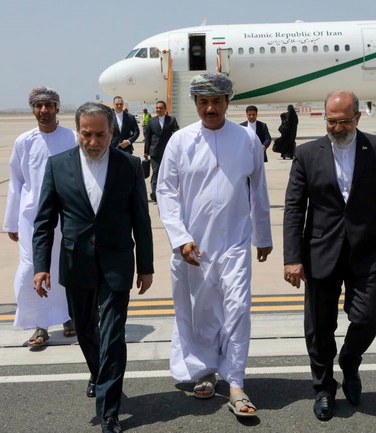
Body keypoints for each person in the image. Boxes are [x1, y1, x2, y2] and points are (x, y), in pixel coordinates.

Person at [283, 90, 376, 421]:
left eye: (344, 122)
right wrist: (292, 257)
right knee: (319, 327)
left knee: (369, 317)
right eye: (331, 121)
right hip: (320, 251)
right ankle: (324, 388)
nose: (337, 128)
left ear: (357, 117)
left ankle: (350, 361)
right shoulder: (306, 154)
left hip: (366, 251)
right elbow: (294, 209)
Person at [156, 73, 273, 418]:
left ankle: (235, 382)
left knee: (238, 309)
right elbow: (165, 191)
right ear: (196, 103)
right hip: (195, 246)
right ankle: (205, 370)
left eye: (217, 101)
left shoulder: (247, 139)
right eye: (204, 102)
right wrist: (180, 238)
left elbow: (258, 189)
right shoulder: (180, 141)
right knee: (201, 310)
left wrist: (263, 236)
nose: (210, 108)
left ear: (227, 102)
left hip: (235, 241)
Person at [32, 102, 154, 433]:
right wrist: (40, 266)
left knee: (113, 335)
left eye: (100, 134)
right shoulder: (58, 165)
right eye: (86, 134)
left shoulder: (129, 166)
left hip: (117, 262)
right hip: (77, 262)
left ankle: (108, 410)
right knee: (86, 329)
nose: (93, 142)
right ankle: (100, 374)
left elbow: (141, 219)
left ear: (112, 132)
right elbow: (44, 222)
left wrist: (146, 266)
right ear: (78, 132)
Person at [3, 86, 77, 350]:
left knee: (63, 267)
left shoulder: (72, 138)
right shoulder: (24, 141)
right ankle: (39, 324)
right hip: (31, 218)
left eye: (48, 105)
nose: (44, 110)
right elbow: (16, 182)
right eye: (38, 106)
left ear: (57, 108)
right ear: (33, 109)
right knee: (30, 270)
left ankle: (68, 316)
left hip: (65, 216)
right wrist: (12, 221)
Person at [143, 100, 179, 202]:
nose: (158, 109)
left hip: (168, 152)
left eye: (160, 108)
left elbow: (177, 133)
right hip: (154, 152)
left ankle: (166, 192)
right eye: (157, 108)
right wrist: (146, 152)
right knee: (156, 172)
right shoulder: (151, 121)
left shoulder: (171, 120)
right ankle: (155, 195)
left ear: (165, 109)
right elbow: (147, 137)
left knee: (167, 173)